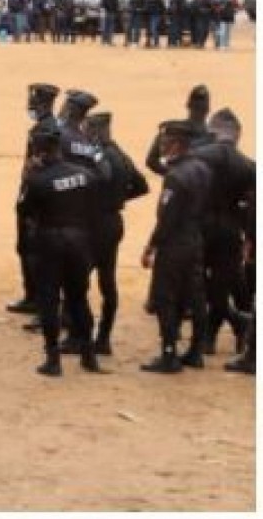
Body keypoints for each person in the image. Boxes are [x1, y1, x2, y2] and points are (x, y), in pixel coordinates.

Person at [18, 121, 103, 377]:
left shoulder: (38, 180)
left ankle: (53, 359)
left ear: (40, 151)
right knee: (78, 298)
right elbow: (94, 207)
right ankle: (89, 355)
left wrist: (28, 178)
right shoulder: (84, 174)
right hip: (80, 241)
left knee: (49, 301)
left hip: (50, 242)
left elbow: (24, 212)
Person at [139, 120, 213, 373]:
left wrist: (151, 246)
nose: (162, 146)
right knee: (195, 296)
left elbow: (167, 218)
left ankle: (169, 355)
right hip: (195, 239)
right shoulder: (203, 169)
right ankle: (195, 351)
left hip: (174, 245)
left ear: (177, 144)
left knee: (164, 298)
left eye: (165, 142)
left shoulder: (176, 176)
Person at [80, 111, 149, 355]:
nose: (84, 134)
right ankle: (104, 337)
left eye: (87, 130)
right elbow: (142, 186)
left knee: (78, 279)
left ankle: (80, 335)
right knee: (107, 281)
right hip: (113, 221)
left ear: (97, 131)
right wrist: (119, 199)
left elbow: (93, 183)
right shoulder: (121, 155)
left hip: (93, 223)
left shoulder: (98, 158)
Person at [190, 109, 255, 355]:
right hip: (231, 231)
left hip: (200, 226)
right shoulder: (249, 166)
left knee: (194, 282)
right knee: (221, 285)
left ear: (212, 131)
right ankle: (212, 335)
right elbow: (253, 208)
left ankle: (211, 333)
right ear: (237, 136)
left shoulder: (199, 156)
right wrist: (249, 237)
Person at [7, 83, 60, 317]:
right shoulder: (42, 126)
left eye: (34, 104)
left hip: (38, 197)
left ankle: (39, 300)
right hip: (31, 192)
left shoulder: (47, 130)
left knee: (33, 249)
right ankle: (32, 296)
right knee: (25, 248)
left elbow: (39, 166)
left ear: (46, 104)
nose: (31, 107)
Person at [145, 85, 213, 176]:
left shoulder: (171, 130)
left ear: (188, 105)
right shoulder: (213, 138)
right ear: (207, 109)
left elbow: (151, 161)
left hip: (175, 187)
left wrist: (171, 175)